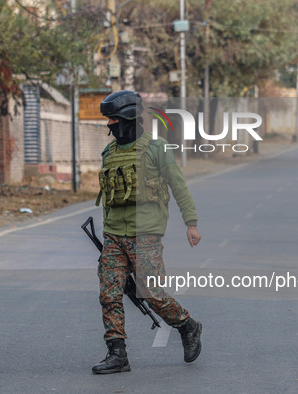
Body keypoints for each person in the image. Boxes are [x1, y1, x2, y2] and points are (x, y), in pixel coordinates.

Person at [92, 90, 203, 374]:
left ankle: (187, 325)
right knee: (110, 294)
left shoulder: (157, 148)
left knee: (151, 293)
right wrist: (106, 237)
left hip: (146, 235)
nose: (110, 125)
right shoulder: (109, 153)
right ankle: (117, 353)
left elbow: (178, 185)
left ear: (128, 118)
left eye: (114, 119)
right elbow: (108, 196)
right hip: (114, 236)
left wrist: (191, 223)